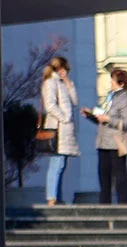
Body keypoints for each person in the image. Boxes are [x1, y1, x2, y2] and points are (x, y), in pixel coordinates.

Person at [84, 68, 127, 204]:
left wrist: (108, 119)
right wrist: (91, 116)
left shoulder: (126, 100)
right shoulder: (110, 98)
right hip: (103, 142)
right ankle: (104, 203)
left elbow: (126, 122)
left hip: (116, 143)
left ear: (122, 83)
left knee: (120, 175)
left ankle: (124, 203)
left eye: (113, 80)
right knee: (103, 175)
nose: (111, 83)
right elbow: (103, 117)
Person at [40, 56, 81, 206]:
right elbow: (50, 105)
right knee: (56, 164)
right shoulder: (50, 82)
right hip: (58, 128)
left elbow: (75, 101)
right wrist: (64, 117)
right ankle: (52, 196)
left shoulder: (62, 83)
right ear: (59, 68)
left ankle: (57, 196)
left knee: (61, 164)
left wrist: (68, 83)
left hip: (65, 130)